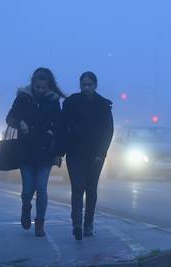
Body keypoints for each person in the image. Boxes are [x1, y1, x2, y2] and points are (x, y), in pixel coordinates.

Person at [6, 67, 65, 237]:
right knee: (27, 189)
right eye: (37, 87)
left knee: (41, 187)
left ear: (48, 86)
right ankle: (26, 207)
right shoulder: (23, 98)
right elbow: (10, 118)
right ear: (33, 84)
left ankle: (40, 223)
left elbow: (59, 123)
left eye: (43, 88)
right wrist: (20, 123)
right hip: (26, 150)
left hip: (46, 151)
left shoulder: (53, 101)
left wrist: (53, 135)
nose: (40, 90)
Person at [57, 71, 114, 240]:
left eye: (90, 84)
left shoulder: (103, 105)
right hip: (74, 152)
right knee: (77, 187)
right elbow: (62, 127)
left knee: (91, 188)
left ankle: (88, 223)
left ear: (95, 85)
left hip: (95, 154)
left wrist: (101, 152)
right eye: (84, 84)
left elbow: (108, 131)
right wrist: (59, 152)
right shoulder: (71, 103)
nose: (87, 87)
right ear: (80, 85)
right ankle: (77, 223)